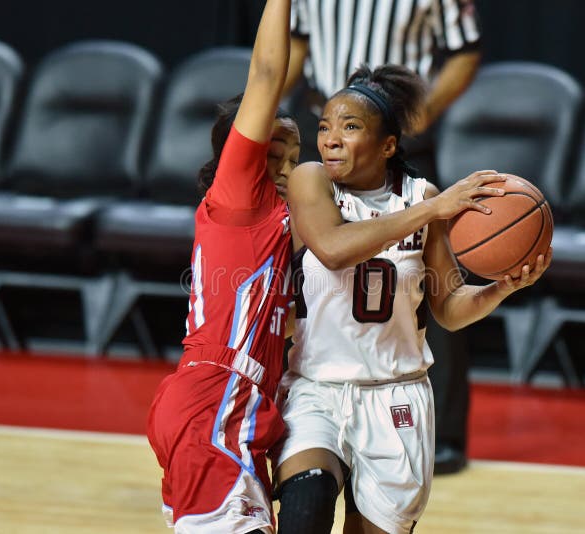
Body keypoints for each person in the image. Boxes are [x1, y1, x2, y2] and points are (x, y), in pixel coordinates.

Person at [274, 64, 551, 534]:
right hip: (316, 389)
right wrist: (432, 210)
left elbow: (448, 307)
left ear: (387, 146)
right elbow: (334, 249)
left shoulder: (421, 196)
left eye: (350, 127)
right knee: (307, 505)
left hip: (396, 396)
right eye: (324, 127)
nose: (330, 139)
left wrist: (502, 287)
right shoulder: (311, 180)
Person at [282, 0, 483, 474]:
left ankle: (444, 435)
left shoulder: (421, 188)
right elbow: (294, 43)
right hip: (323, 115)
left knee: (427, 281)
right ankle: (305, 412)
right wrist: (267, 107)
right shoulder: (312, 169)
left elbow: (465, 51)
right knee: (304, 274)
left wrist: (420, 113)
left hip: (394, 128)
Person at [145, 0, 300, 532]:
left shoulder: (285, 223)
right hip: (216, 399)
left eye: (293, 159)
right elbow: (267, 75)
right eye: (273, 154)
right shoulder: (237, 194)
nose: (285, 168)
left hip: (229, 404)